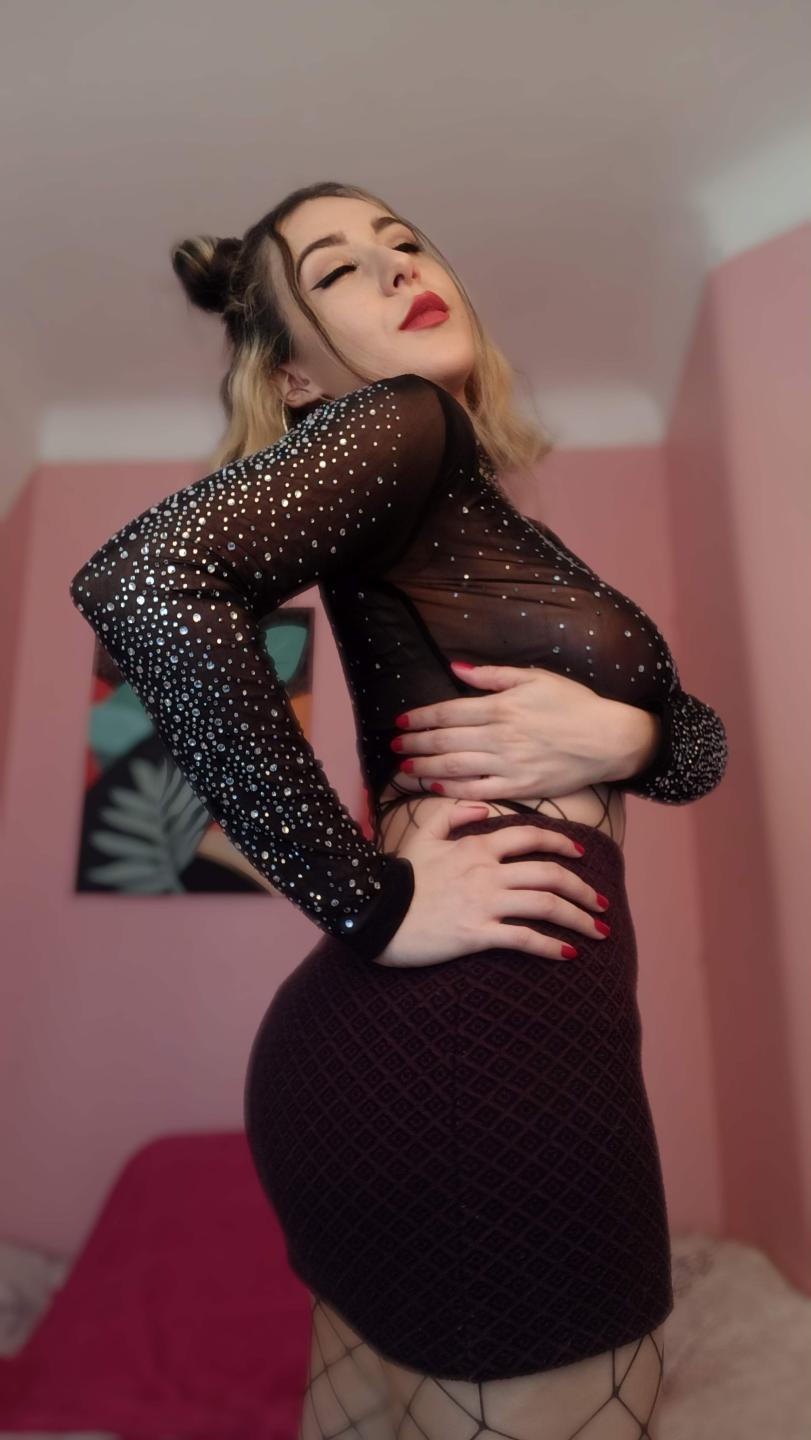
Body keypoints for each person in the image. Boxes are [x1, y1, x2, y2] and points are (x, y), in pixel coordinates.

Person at [69, 181, 728, 1439]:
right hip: (477, 1053)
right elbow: (146, 584)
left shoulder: (456, 501)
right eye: (334, 272)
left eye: (404, 242)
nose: (392, 269)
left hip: (418, 1057)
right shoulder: (405, 420)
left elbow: (695, 753)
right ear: (296, 377)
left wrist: (632, 733)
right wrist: (366, 900)